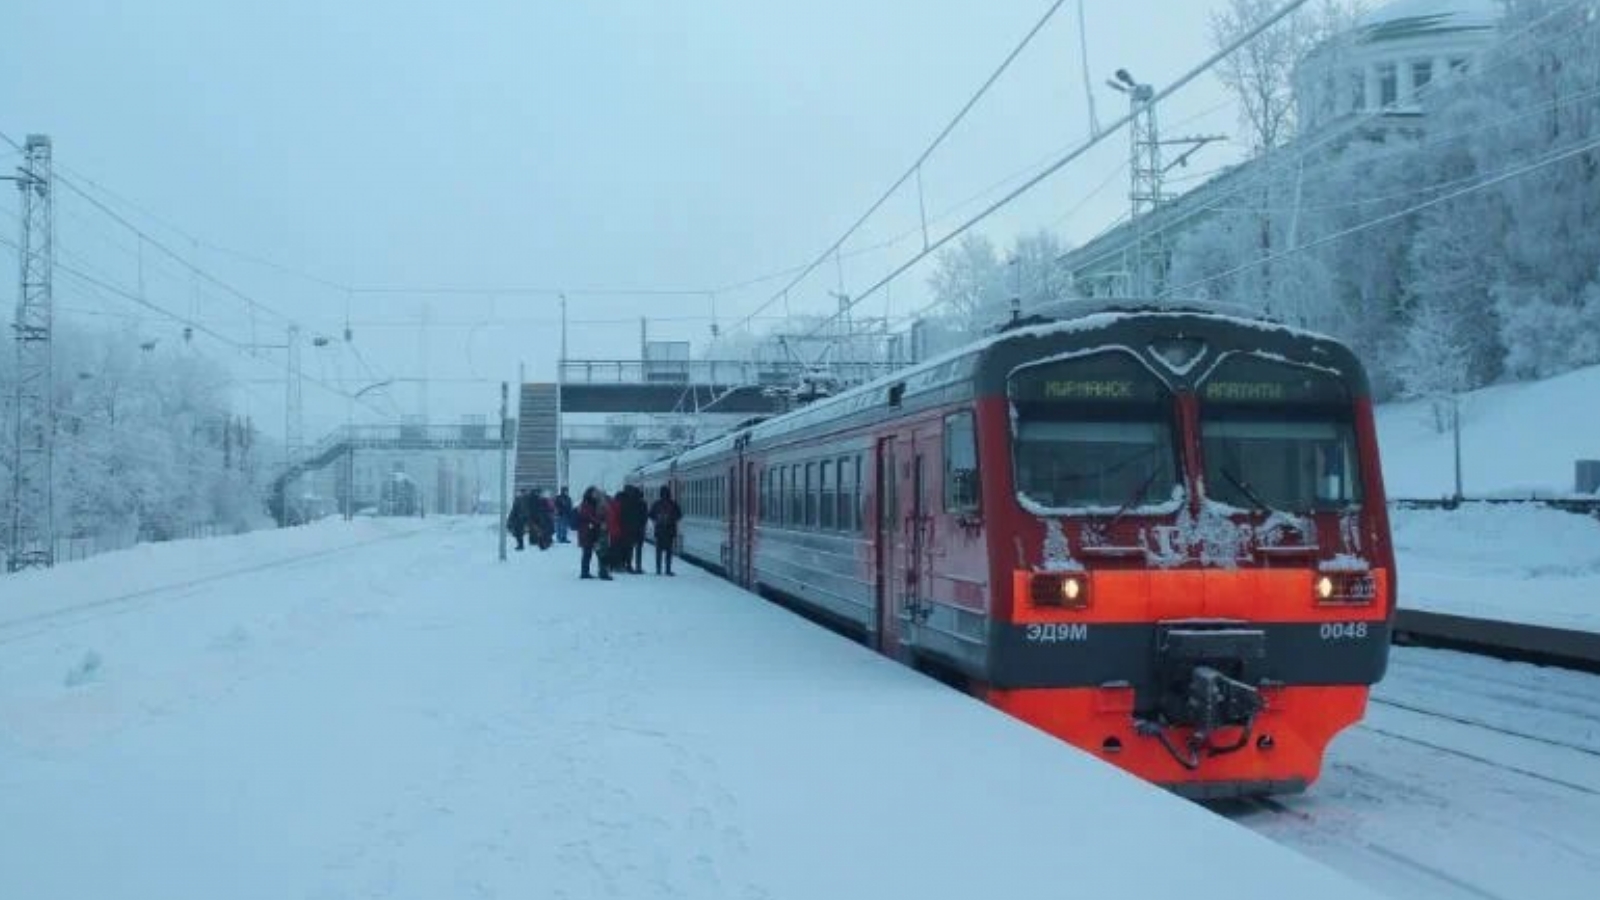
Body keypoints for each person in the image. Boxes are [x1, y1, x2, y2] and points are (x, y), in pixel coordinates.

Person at [577, 487, 611, 580]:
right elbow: (588, 516)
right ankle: (586, 573)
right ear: (590, 494)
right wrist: (600, 523)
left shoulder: (592, 503)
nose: (596, 494)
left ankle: (588, 572)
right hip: (587, 532)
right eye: (594, 493)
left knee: (592, 553)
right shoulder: (587, 503)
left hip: (592, 532)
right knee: (592, 553)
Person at [648, 485, 682, 576]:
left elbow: (650, 515)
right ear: (669, 493)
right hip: (670, 531)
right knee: (668, 551)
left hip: (659, 531)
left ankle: (658, 570)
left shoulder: (656, 504)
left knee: (658, 551)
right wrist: (671, 520)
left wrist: (657, 519)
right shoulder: (673, 504)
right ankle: (668, 570)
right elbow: (679, 515)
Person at [623, 485, 649, 574]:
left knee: (630, 548)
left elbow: (624, 516)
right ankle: (638, 567)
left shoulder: (627, 502)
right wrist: (642, 525)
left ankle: (629, 566)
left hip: (629, 529)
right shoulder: (643, 503)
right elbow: (645, 517)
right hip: (639, 529)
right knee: (639, 549)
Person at [606, 486, 632, 573]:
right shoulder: (619, 505)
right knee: (618, 549)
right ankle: (617, 566)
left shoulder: (612, 504)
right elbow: (621, 518)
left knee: (613, 548)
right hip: (618, 530)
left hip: (612, 530)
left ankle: (612, 565)